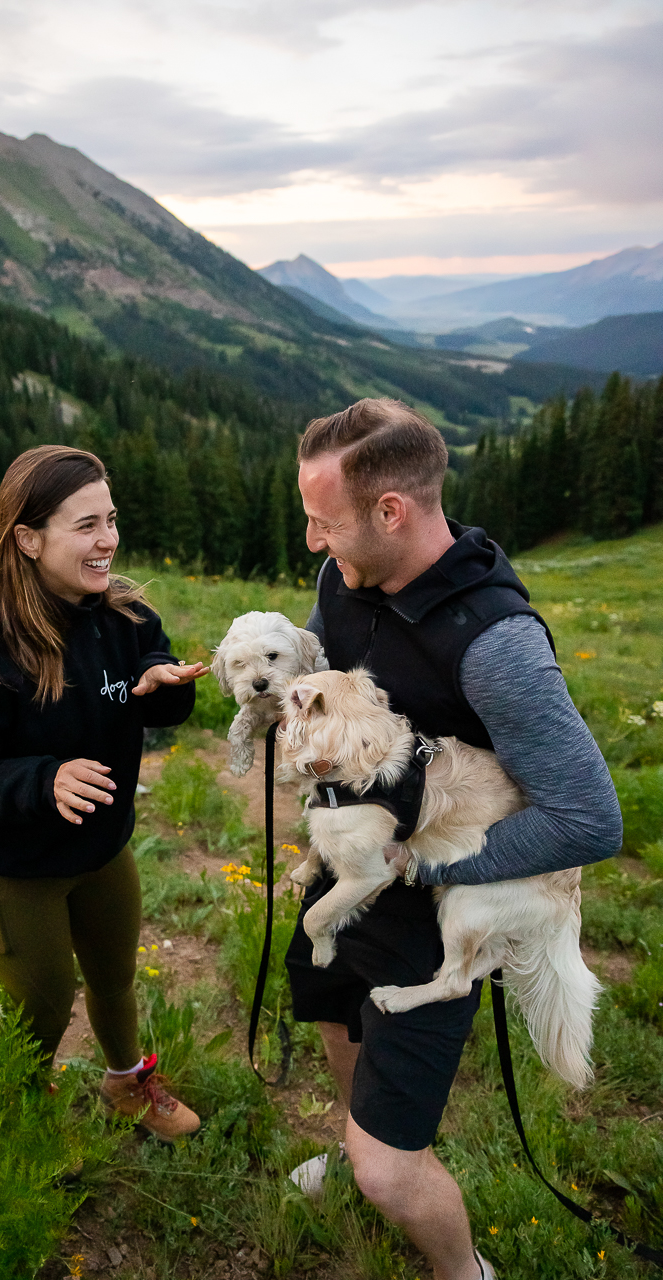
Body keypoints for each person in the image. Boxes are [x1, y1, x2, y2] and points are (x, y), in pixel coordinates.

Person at [284, 399, 622, 1280]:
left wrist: (428, 867)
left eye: (324, 522)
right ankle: (360, 1146)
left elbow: (589, 818)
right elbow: (328, 680)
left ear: (389, 512)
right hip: (352, 878)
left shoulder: (494, 643)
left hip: (431, 904)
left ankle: (463, 1270)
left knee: (393, 1172)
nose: (313, 543)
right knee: (337, 1024)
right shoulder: (345, 582)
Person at [0, 444, 209, 1142]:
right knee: (43, 1011)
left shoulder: (126, 617)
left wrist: (160, 683)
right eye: (85, 525)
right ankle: (24, 1117)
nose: (107, 539)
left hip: (103, 851)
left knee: (113, 982)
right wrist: (39, 779)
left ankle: (126, 1083)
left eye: (109, 519)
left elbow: (150, 677)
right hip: (14, 872)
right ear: (27, 537)